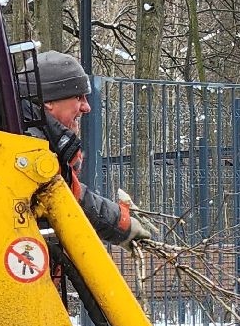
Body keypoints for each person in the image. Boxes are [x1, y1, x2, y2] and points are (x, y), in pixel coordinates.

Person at [31, 50, 158, 246]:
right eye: (78, 97)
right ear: (48, 101)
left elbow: (69, 196)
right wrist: (121, 225)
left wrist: (121, 224)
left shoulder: (40, 141)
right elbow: (70, 200)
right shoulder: (32, 151)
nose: (86, 107)